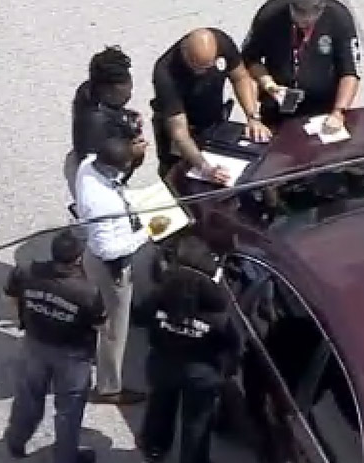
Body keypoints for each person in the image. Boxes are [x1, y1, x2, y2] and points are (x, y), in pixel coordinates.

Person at [2, 230, 107, 463]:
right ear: (79, 258)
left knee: (28, 396)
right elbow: (102, 326)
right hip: (72, 356)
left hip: (35, 344)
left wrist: (27, 320)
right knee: (69, 409)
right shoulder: (88, 292)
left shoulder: (26, 272)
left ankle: (16, 440)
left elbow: (10, 297)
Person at [74, 137, 171, 405]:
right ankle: (108, 387)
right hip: (109, 267)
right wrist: (149, 231)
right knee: (114, 329)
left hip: (90, 255)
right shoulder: (104, 203)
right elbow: (110, 250)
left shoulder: (87, 166)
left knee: (93, 310)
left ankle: (86, 350)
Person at [136, 242, 233, 463]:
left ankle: (154, 448)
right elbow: (233, 345)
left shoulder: (160, 298)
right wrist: (223, 371)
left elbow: (139, 316)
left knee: (159, 406)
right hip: (200, 374)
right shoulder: (218, 314)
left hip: (162, 364)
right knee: (196, 423)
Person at [240, 0, 362, 136]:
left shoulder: (339, 18)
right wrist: (269, 84)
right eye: (298, 16)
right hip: (278, 102)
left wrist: (339, 111)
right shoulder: (270, 14)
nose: (303, 21)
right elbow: (250, 58)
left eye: (309, 18)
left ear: (321, 9)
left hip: (323, 106)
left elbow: (350, 71)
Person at [150, 27, 255, 183]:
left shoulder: (221, 42)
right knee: (180, 179)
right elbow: (180, 133)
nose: (203, 73)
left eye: (208, 67)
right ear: (185, 51)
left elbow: (240, 77)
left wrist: (253, 117)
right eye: (197, 67)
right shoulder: (165, 73)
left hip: (213, 121)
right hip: (183, 132)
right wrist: (205, 168)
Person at [65, 46, 148, 197]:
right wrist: (131, 153)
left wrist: (126, 115)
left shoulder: (89, 88)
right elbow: (102, 171)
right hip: (96, 179)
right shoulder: (94, 124)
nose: (128, 97)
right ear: (107, 92)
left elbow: (113, 109)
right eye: (124, 96)